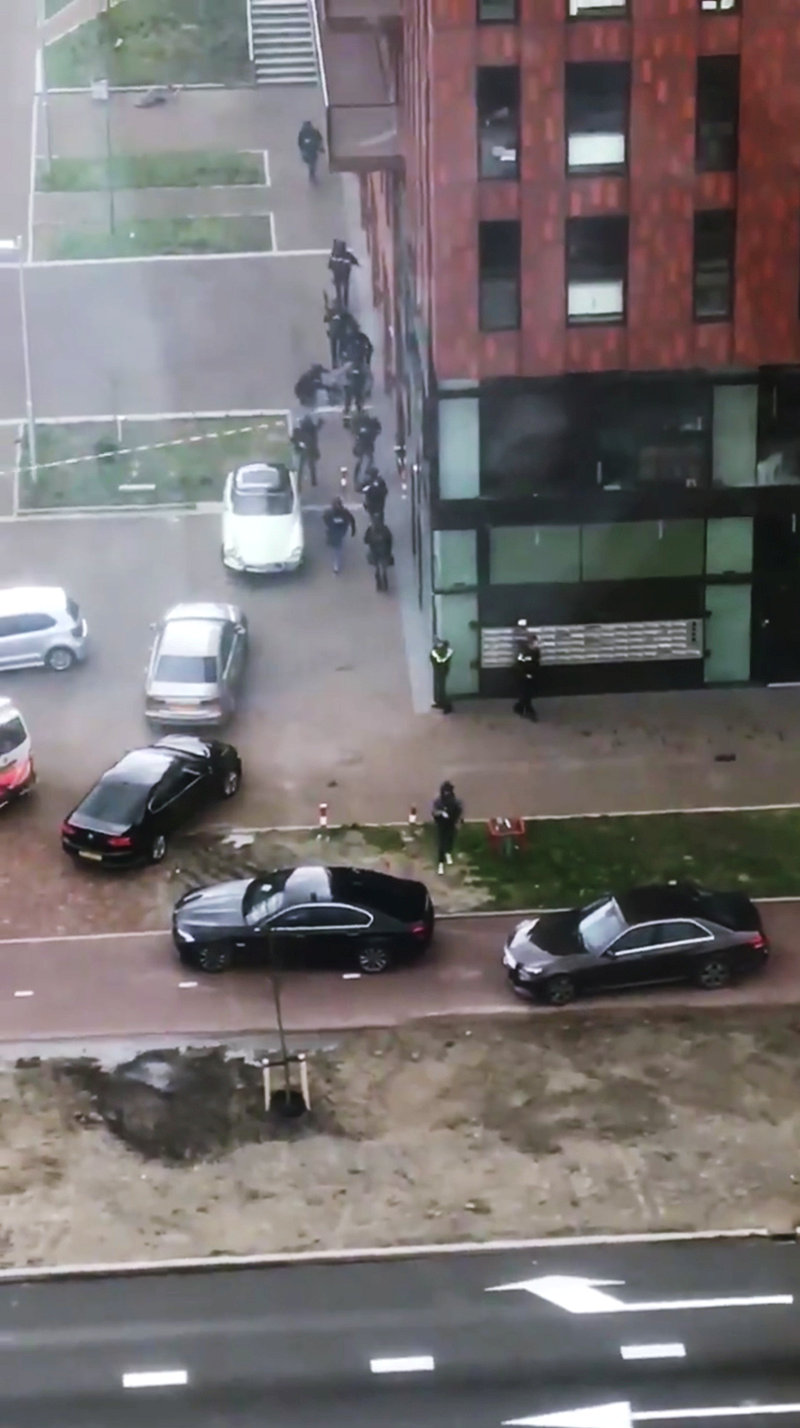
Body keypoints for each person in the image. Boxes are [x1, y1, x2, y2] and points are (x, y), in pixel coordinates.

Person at [431, 780, 463, 876]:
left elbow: (459, 812)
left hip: (451, 824)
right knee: (442, 843)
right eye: (445, 791)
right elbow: (434, 812)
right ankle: (441, 864)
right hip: (442, 825)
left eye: (448, 791)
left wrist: (458, 821)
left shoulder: (455, 801)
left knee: (450, 840)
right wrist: (441, 813)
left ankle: (448, 853)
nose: (447, 793)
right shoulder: (438, 802)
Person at [323, 495, 356, 575]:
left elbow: (352, 520)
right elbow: (325, 519)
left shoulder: (345, 512)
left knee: (337, 549)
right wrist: (329, 525)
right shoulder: (329, 513)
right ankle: (336, 562)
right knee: (334, 547)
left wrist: (353, 530)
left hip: (341, 532)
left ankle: (336, 565)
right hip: (333, 532)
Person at [513, 632, 541, 721]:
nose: (536, 644)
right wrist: (525, 674)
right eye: (535, 642)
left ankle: (520, 708)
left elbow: (536, 664)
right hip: (523, 676)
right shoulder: (523, 652)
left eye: (537, 642)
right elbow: (519, 664)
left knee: (527, 695)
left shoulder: (536, 652)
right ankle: (529, 711)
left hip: (532, 676)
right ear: (530, 643)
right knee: (525, 694)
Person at [351, 411, 382, 485]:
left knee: (370, 459)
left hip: (367, 445)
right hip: (363, 446)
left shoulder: (370, 427)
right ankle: (360, 476)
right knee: (363, 460)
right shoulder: (364, 428)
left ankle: (368, 473)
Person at [290, 414, 321, 487]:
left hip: (302, 452)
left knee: (300, 469)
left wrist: (297, 444)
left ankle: (298, 484)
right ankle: (313, 481)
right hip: (310, 451)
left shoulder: (298, 431)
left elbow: (293, 439)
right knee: (311, 466)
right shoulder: (312, 431)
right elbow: (317, 428)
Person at [364, 517, 394, 592]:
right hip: (384, 552)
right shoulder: (385, 529)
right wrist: (389, 551)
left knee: (377, 568)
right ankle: (385, 584)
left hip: (374, 552)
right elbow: (390, 540)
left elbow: (366, 540)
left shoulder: (370, 530)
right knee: (383, 568)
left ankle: (379, 585)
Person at [328, 239, 359, 308]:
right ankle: (345, 303)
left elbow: (330, 265)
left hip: (337, 275)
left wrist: (331, 268)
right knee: (345, 288)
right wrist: (357, 264)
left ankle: (339, 300)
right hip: (346, 275)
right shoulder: (347, 255)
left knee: (338, 287)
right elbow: (354, 261)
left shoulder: (333, 255)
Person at [430, 637, 453, 714]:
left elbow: (434, 658)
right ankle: (442, 703)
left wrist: (434, 648)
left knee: (440, 688)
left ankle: (443, 704)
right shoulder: (446, 652)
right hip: (442, 671)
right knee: (441, 688)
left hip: (440, 671)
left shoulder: (443, 652)